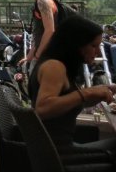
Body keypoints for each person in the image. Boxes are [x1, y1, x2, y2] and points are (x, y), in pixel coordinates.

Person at [29, 14, 116, 161]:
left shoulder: (59, 64)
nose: (98, 52)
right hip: (60, 156)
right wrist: (86, 93)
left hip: (58, 151)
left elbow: (68, 103)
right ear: (76, 44)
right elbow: (42, 108)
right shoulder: (54, 67)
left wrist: (102, 91)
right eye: (93, 46)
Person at [21, 0, 57, 72]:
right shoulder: (42, 1)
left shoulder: (42, 1)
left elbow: (50, 30)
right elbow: (40, 34)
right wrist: (29, 56)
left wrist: (37, 56)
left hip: (47, 57)